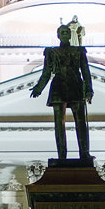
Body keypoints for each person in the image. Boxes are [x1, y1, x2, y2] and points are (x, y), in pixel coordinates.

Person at [30, 24, 93, 161]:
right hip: (58, 86)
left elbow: (86, 72)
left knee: (81, 123)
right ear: (58, 35)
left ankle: (84, 153)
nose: (65, 34)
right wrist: (38, 88)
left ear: (70, 35)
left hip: (76, 84)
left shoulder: (79, 51)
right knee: (59, 125)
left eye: (67, 32)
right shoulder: (51, 52)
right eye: (62, 32)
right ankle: (62, 156)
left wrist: (89, 89)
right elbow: (46, 72)